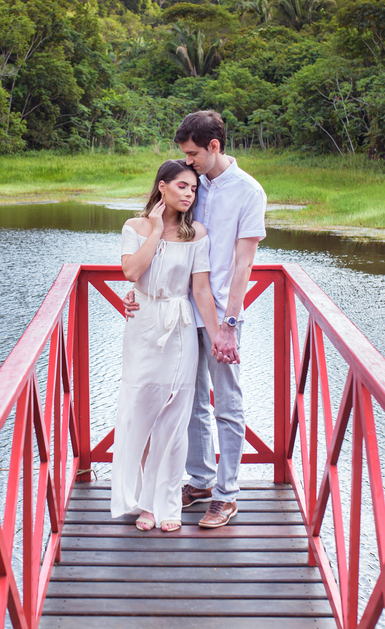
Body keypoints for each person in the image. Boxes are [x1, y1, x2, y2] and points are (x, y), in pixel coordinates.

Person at [124, 110, 266, 529]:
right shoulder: (192, 184)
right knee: (189, 406)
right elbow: (164, 239)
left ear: (214, 147)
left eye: (192, 153)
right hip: (180, 315)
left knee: (227, 403)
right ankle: (200, 480)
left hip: (221, 314)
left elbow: (244, 266)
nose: (187, 161)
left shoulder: (249, 192)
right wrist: (134, 290)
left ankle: (226, 494)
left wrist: (230, 325)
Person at [111, 160, 219, 532]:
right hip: (142, 327)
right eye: (182, 187)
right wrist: (156, 230)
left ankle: (167, 502)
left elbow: (201, 290)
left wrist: (219, 333)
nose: (189, 194)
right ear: (162, 187)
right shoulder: (135, 227)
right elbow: (131, 273)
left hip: (180, 328)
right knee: (139, 412)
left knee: (174, 419)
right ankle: (145, 503)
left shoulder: (197, 235)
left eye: (193, 189)